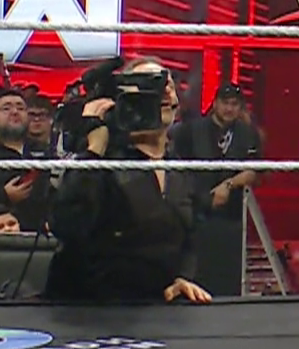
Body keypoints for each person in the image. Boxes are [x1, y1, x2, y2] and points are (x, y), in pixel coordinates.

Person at [44, 59, 212, 305]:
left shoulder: (180, 170)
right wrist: (94, 149)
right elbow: (67, 224)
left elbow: (189, 237)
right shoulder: (102, 162)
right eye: (149, 85)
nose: (164, 91)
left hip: (155, 311)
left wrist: (182, 278)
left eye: (168, 84)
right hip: (89, 309)